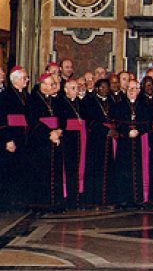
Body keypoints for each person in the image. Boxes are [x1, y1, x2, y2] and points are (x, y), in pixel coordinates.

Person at [26, 73, 64, 210]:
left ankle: (56, 202)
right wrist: (50, 133)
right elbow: (32, 120)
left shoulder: (56, 100)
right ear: (41, 84)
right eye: (48, 84)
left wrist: (59, 131)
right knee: (41, 171)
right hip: (40, 140)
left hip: (56, 139)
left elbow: (63, 117)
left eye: (53, 84)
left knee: (56, 170)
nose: (51, 87)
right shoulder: (32, 99)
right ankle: (42, 204)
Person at [113, 79, 151, 207]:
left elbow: (148, 124)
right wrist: (127, 132)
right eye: (129, 89)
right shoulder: (119, 106)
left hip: (140, 143)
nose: (132, 91)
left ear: (139, 90)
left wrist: (138, 131)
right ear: (125, 90)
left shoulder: (145, 106)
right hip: (124, 142)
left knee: (138, 170)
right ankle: (123, 199)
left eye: (135, 89)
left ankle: (138, 199)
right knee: (123, 171)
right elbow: (116, 123)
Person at [82, 79, 117, 207]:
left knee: (110, 170)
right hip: (97, 140)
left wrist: (115, 129)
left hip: (111, 139)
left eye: (107, 87)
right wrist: (105, 131)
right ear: (97, 89)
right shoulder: (90, 102)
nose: (105, 90)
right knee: (97, 170)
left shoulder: (112, 101)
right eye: (102, 87)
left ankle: (109, 199)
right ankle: (96, 200)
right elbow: (90, 121)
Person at [0, 66, 29, 209]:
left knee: (22, 169)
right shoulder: (5, 96)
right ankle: (7, 202)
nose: (27, 80)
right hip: (12, 136)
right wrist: (7, 139)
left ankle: (20, 200)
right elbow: (2, 120)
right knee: (9, 170)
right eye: (24, 78)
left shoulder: (25, 94)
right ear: (15, 79)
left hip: (24, 137)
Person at [58, 79, 87, 209]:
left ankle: (77, 197)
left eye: (77, 88)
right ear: (66, 89)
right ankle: (69, 198)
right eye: (73, 88)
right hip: (68, 140)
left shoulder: (80, 103)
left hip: (80, 138)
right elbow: (62, 123)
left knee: (79, 167)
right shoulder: (61, 103)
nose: (76, 90)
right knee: (69, 169)